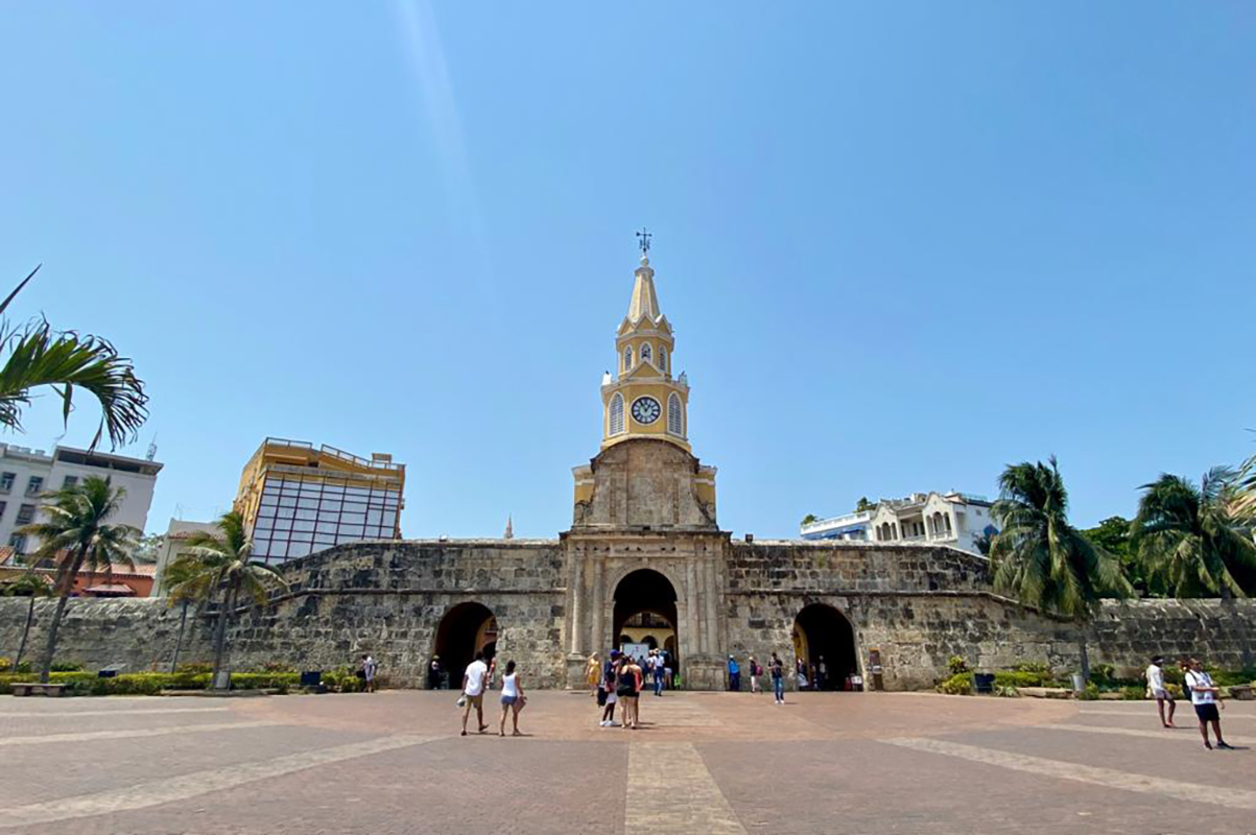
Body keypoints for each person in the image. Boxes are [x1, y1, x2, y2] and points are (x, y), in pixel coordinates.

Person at [1183, 658, 1233, 750]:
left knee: (1215, 721)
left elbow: (1212, 686)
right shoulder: (1189, 675)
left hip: (1209, 700)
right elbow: (1194, 688)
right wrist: (1210, 689)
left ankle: (1220, 741)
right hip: (1200, 702)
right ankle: (1206, 742)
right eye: (1196, 664)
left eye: (1199, 663)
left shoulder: (1205, 674)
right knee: (1203, 721)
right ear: (1191, 665)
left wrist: (1220, 700)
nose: (1199, 665)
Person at [460, 651, 490, 737]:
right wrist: (484, 686)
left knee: (466, 709)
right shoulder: (483, 666)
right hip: (477, 690)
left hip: (469, 690)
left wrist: (463, 688)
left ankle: (463, 728)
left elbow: (465, 678)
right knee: (479, 708)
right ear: (482, 657)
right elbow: (484, 676)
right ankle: (480, 725)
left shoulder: (470, 665)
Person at [1145, 656, 1175, 728]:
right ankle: (1167, 721)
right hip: (1159, 688)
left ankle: (1166, 721)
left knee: (1164, 704)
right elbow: (1159, 679)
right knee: (1166, 704)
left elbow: (1147, 678)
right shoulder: (1158, 669)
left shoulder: (1149, 668)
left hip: (1156, 687)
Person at [499, 660, 525, 737]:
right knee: (515, 713)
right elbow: (518, 686)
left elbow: (502, 685)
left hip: (504, 695)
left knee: (503, 713)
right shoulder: (515, 675)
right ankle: (514, 729)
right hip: (512, 695)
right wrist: (522, 693)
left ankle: (501, 730)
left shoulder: (503, 675)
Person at [618, 653, 643, 729]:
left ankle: (623, 723)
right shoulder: (630, 667)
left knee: (622, 706)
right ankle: (632, 722)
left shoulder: (619, 668)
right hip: (629, 688)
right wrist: (631, 665)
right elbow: (639, 669)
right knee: (631, 706)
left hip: (621, 688)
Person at [600, 650, 621, 727]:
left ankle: (610, 719)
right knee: (610, 703)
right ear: (613, 656)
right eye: (617, 656)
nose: (618, 657)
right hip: (610, 685)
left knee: (613, 703)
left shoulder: (612, 664)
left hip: (613, 685)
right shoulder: (609, 664)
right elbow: (607, 674)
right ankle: (603, 720)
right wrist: (609, 684)